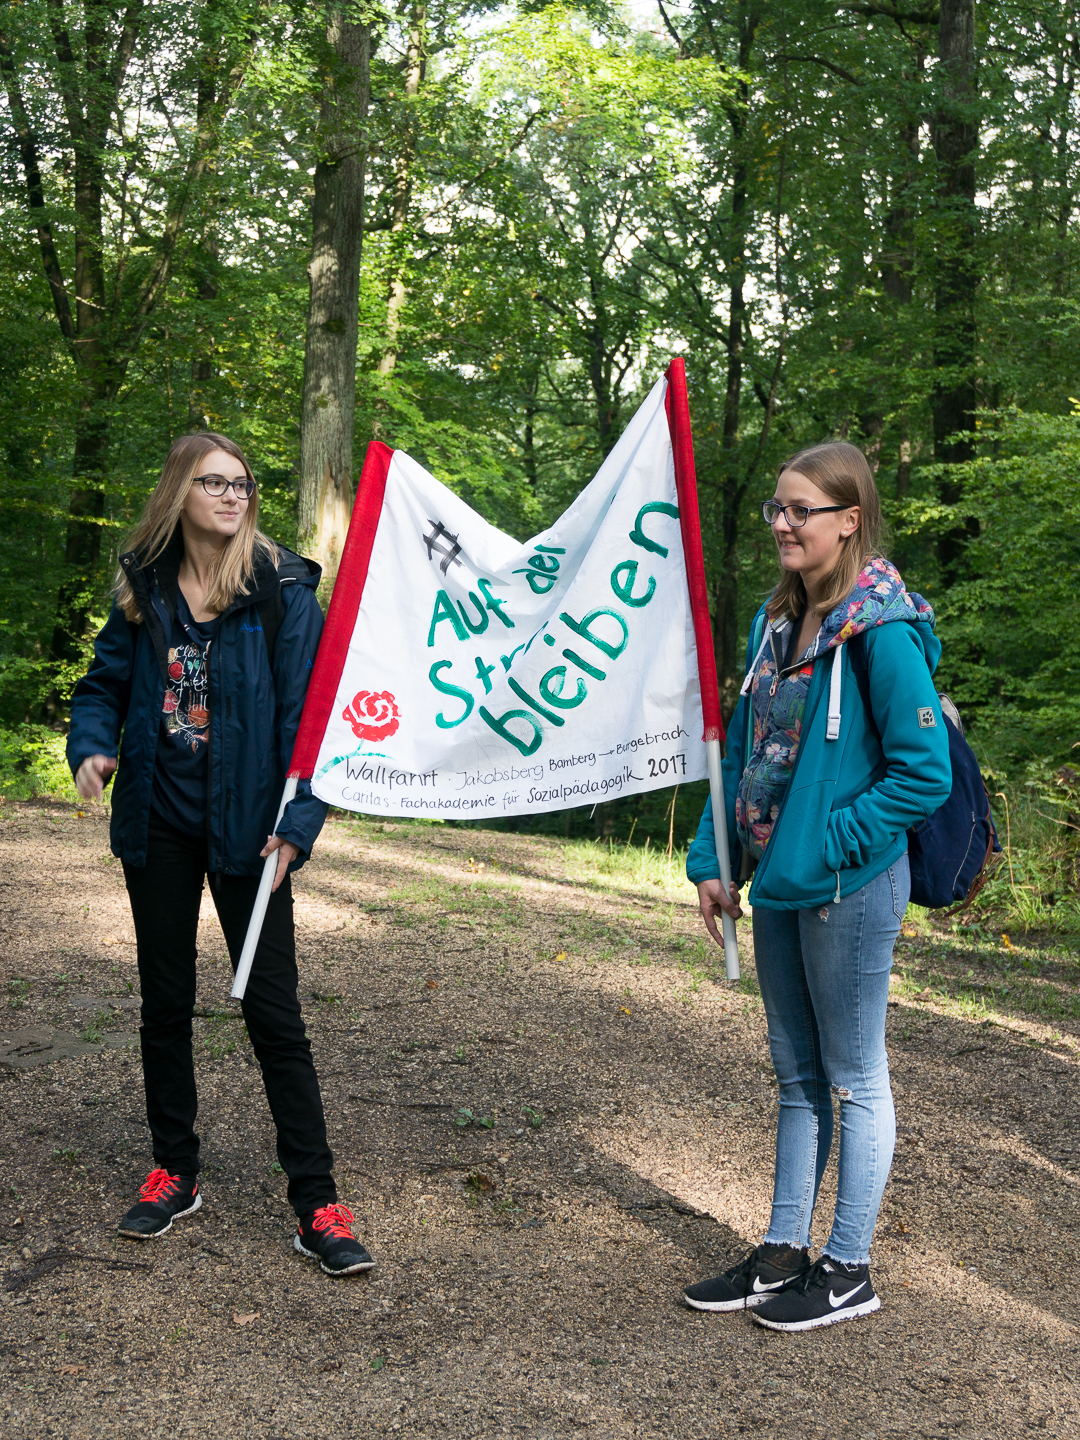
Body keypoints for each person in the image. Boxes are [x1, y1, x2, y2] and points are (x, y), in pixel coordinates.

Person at [67, 432, 374, 1277]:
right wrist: (93, 747)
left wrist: (299, 823)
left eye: (243, 484)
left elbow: (315, 722)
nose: (234, 496)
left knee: (274, 1015)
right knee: (164, 1003)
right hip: (159, 825)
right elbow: (101, 685)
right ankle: (176, 1171)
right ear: (180, 492)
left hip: (252, 833)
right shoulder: (144, 586)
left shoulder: (281, 591)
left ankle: (317, 1201)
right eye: (214, 482)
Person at [683, 441, 950, 1331]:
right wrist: (713, 857)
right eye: (778, 509)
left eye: (804, 510)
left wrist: (831, 843)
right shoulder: (778, 623)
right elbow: (752, 754)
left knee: (855, 1075)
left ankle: (849, 1268)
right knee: (796, 1077)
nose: (785, 524)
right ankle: (783, 1252)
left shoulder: (883, 627)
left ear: (850, 518)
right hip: (781, 887)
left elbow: (923, 774)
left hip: (848, 887)